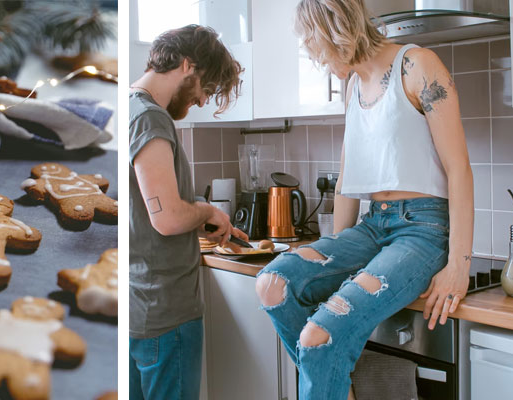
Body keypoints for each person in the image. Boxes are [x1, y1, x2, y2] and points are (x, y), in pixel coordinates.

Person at [254, 1, 474, 399]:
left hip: (424, 231)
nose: (316, 59)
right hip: (374, 226)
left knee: (320, 334)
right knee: (272, 284)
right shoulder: (353, 86)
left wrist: (459, 264)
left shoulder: (418, 65)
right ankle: (336, 381)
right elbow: (347, 179)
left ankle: (329, 374)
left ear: (335, 30)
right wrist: (335, 262)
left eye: (314, 46)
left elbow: (459, 169)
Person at [128, 24, 246, 400]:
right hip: (165, 311)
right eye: (205, 89)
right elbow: (167, 218)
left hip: (137, 307)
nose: (200, 100)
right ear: (187, 65)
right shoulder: (150, 117)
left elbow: (148, 207)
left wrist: (200, 214)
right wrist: (206, 208)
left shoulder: (130, 106)